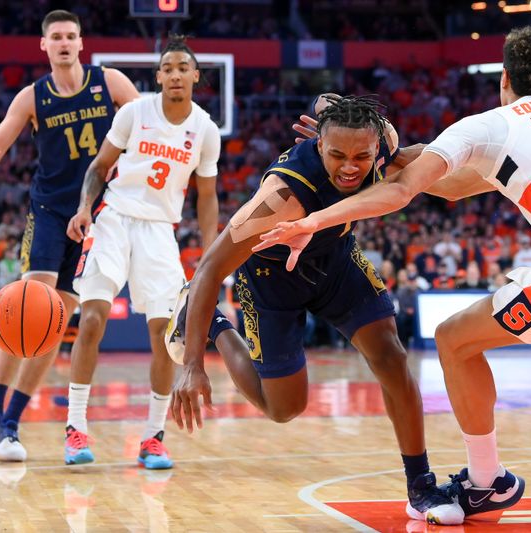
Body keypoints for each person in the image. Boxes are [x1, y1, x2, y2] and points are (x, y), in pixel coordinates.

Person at [256, 28, 531, 522]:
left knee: (453, 339)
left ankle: (486, 483)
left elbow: (405, 193)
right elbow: (456, 187)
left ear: (502, 77)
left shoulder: (487, 123)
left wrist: (312, 220)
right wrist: (389, 152)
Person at [169, 94, 465, 525]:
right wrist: (192, 364)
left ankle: (420, 486)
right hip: (273, 276)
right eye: (337, 155)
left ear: (377, 147)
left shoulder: (385, 140)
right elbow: (211, 268)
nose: (350, 166)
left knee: (391, 355)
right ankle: (215, 326)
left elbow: (395, 148)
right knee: (284, 409)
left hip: (334, 258)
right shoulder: (280, 197)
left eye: (362, 156)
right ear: (318, 145)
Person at [0, 9, 140, 462]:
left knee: (53, 324)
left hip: (96, 216)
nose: (63, 43)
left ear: (81, 42)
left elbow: (147, 125)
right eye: (55, 37)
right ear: (44, 46)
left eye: (70, 36)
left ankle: (10, 424)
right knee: (28, 306)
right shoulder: (32, 97)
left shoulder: (111, 83)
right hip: (48, 213)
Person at [63, 35, 220, 470]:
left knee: (164, 338)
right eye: (167, 68)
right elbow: (99, 167)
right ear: (158, 76)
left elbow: (206, 198)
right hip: (113, 218)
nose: (174, 74)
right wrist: (84, 208)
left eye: (182, 68)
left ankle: (153, 437)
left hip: (159, 232)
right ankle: (75, 427)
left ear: (195, 76)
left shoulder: (205, 129)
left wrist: (211, 255)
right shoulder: (134, 112)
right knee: (91, 317)